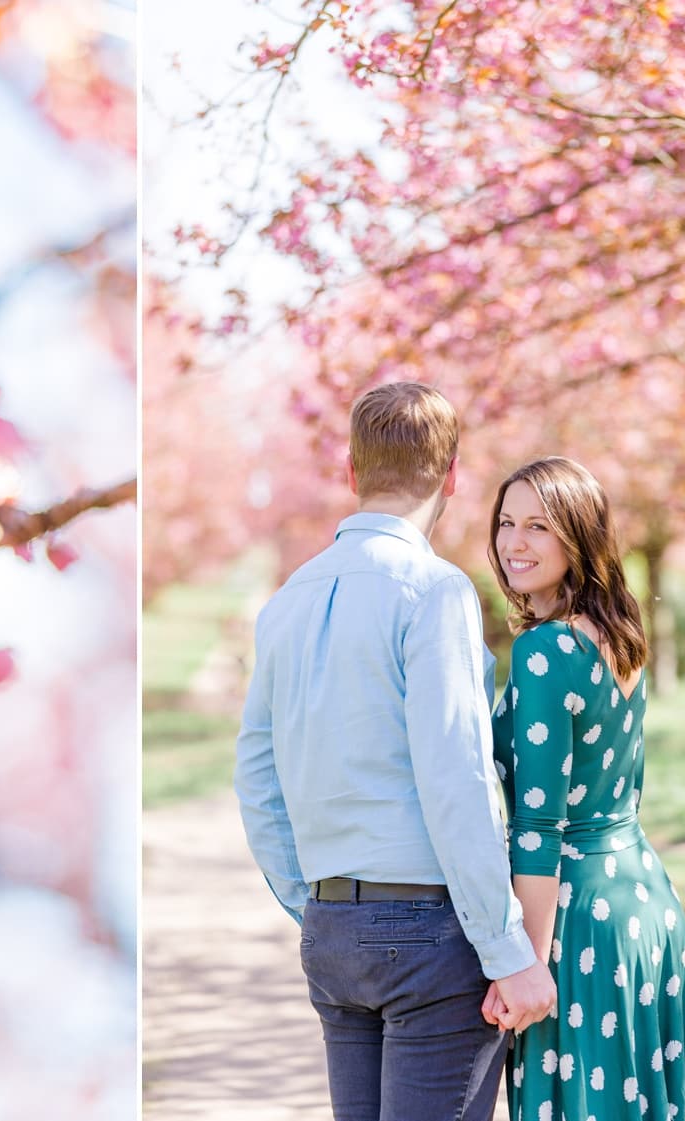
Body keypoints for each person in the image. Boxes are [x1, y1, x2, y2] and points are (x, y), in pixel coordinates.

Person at [235, 382, 557, 1121]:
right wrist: (509, 952)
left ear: (352, 473)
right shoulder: (434, 592)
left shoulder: (285, 602)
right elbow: (457, 775)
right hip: (427, 934)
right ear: (451, 477)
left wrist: (310, 898)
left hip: (333, 930)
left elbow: (255, 776)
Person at [484, 456, 685, 1121]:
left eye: (538, 527)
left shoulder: (546, 651)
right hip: (644, 901)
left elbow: (539, 826)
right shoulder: (617, 632)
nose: (514, 542)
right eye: (505, 523)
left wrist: (524, 960)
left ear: (577, 538)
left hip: (580, 920)